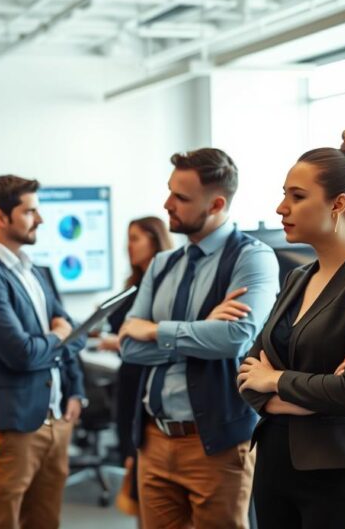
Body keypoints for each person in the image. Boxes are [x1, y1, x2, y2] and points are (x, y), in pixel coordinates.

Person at [238, 129, 345, 529]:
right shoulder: (298, 277)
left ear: (338, 204)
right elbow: (247, 378)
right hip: (275, 466)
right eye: (284, 194)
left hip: (339, 474)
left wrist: (275, 379)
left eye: (297, 197)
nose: (282, 207)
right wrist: (309, 394)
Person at [118, 148, 279, 529]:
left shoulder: (253, 258)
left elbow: (234, 338)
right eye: (170, 191)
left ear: (217, 203)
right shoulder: (162, 263)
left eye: (181, 197)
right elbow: (128, 345)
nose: (167, 204)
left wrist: (159, 330)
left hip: (216, 444)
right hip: (154, 439)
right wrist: (202, 328)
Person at [0, 175, 87, 529]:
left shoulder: (38, 270)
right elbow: (21, 353)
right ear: (1, 217)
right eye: (30, 211)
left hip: (57, 418)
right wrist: (60, 336)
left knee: (46, 519)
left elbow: (73, 336)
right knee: (2, 518)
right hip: (15, 427)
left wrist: (76, 389)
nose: (40, 219)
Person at [96, 216, 172, 517]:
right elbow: (128, 329)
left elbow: (151, 334)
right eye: (128, 238)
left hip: (147, 377)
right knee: (131, 453)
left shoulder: (166, 284)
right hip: (128, 377)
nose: (129, 246)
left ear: (155, 240)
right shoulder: (133, 285)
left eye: (136, 238)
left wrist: (121, 341)